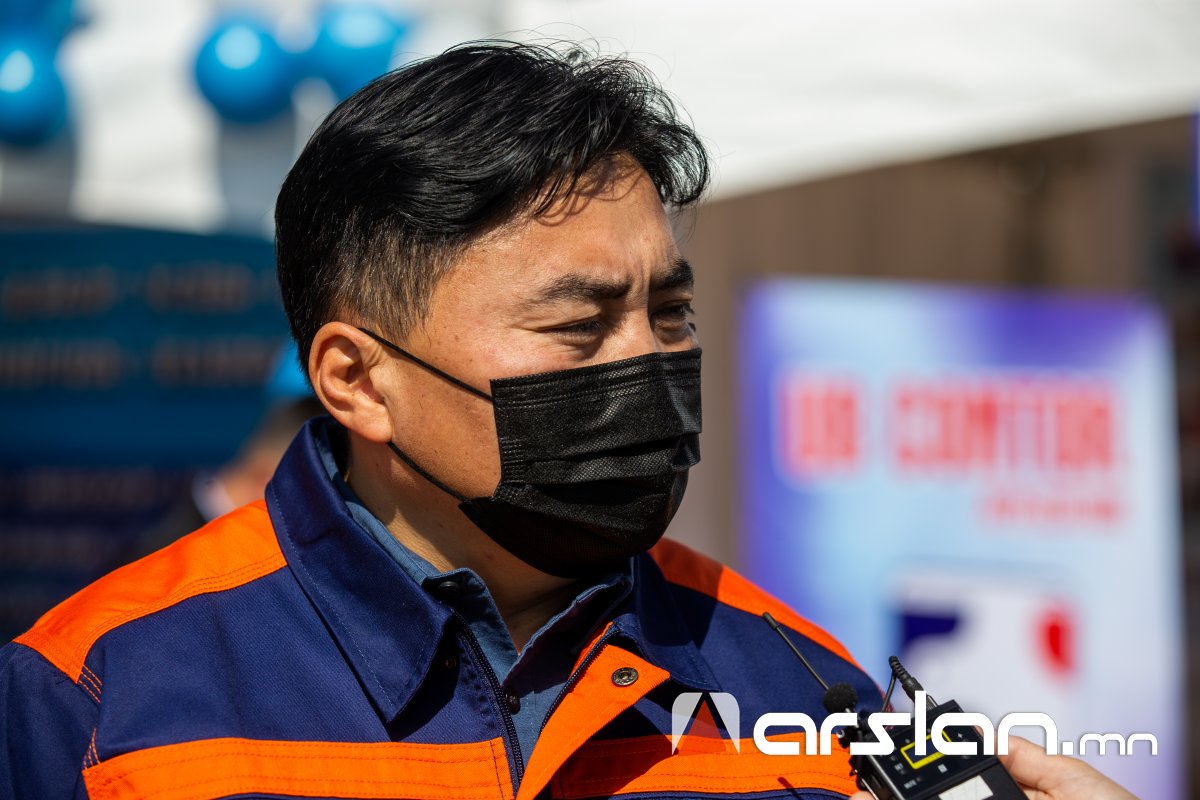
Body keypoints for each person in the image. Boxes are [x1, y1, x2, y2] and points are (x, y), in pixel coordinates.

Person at [0, 42, 1137, 800]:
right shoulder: (98, 696)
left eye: (670, 312)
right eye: (578, 326)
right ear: (357, 379)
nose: (647, 360)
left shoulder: (807, 690)